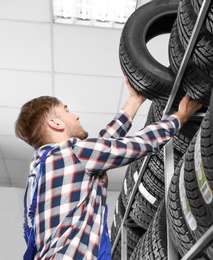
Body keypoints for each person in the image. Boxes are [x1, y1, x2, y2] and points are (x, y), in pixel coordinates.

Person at [15, 76, 202, 260]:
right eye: (67, 110)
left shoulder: (38, 172)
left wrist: (135, 101)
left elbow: (103, 145)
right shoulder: (72, 153)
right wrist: (180, 117)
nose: (75, 115)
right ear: (55, 123)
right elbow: (138, 144)